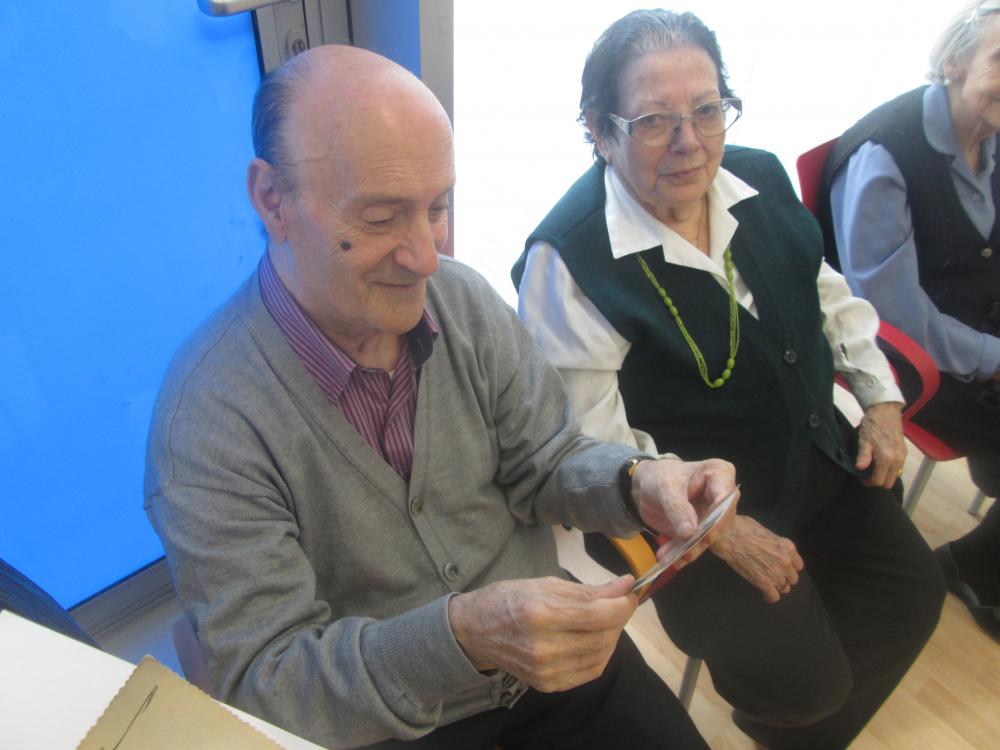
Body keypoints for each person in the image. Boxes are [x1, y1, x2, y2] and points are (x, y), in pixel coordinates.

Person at [144, 44, 738, 750]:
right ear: (273, 200)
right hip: (391, 732)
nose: (427, 256)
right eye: (380, 217)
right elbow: (272, 681)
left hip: (563, 668)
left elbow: (544, 459)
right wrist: (464, 637)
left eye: (438, 206)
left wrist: (635, 480)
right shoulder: (208, 427)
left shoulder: (461, 301)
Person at [512, 9, 946, 749]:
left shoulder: (758, 176)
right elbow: (590, 441)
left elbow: (824, 291)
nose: (691, 142)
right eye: (654, 120)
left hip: (817, 457)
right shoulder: (568, 261)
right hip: (693, 519)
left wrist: (878, 396)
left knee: (913, 596)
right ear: (599, 130)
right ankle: (795, 722)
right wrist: (724, 531)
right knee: (802, 687)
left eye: (708, 109)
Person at [820, 0, 1000, 641]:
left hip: (974, 326)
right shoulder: (887, 157)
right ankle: (974, 568)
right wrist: (994, 357)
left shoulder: (988, 134)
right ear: (953, 63)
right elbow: (895, 317)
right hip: (912, 362)